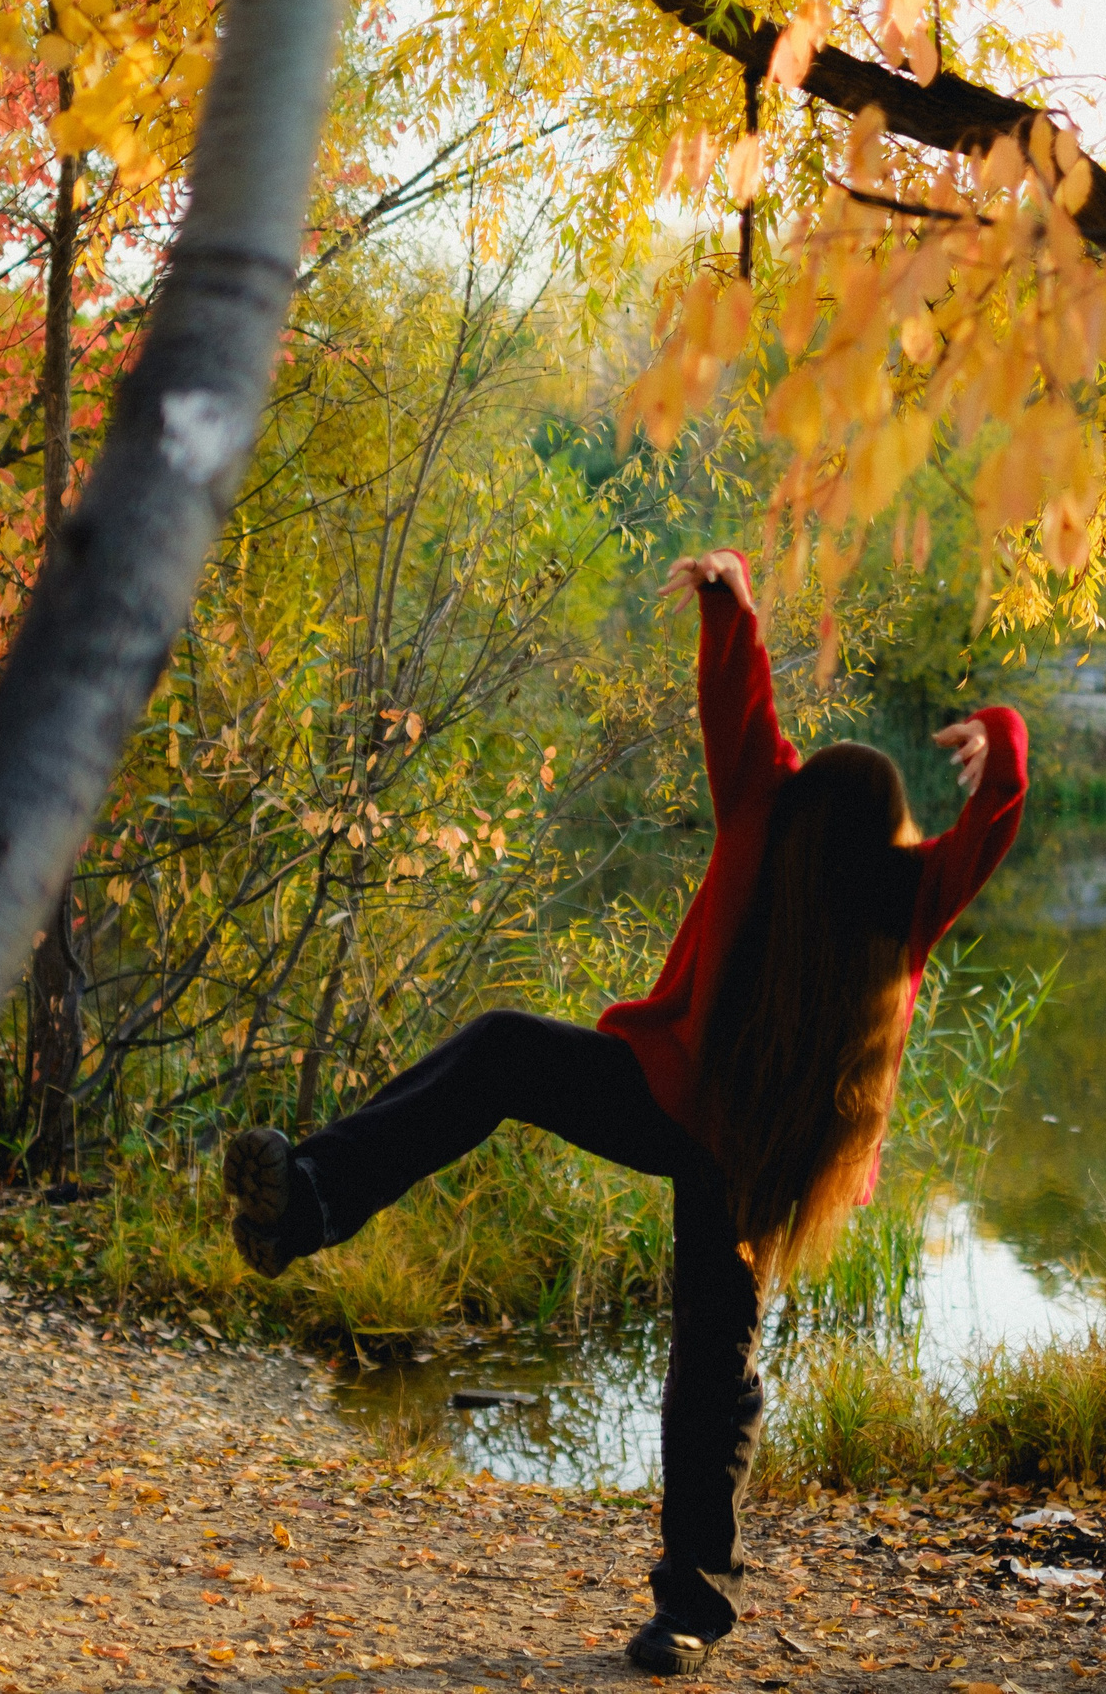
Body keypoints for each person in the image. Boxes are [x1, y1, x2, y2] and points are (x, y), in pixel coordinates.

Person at [221, 547, 1029, 1675]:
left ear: (799, 806)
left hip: (683, 1112)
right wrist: (1000, 744)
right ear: (889, 832)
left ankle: (308, 1201)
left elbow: (740, 714)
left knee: (500, 1053)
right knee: (714, 1364)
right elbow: (987, 826)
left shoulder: (764, 813)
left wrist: (730, 599)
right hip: (748, 1152)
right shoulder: (906, 892)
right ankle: (690, 1611)